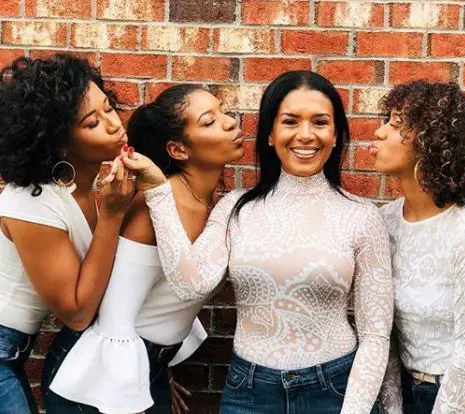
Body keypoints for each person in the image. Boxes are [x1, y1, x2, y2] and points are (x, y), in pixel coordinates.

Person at [123, 71, 394, 414]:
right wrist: (159, 192)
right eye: (290, 121)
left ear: (337, 135)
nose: (306, 135)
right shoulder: (235, 208)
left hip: (335, 389)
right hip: (250, 393)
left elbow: (375, 335)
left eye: (320, 122)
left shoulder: (363, 217)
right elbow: (190, 285)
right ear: (270, 134)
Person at [45, 84, 245, 414]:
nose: (230, 123)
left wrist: (155, 370)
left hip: (143, 368)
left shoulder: (210, 204)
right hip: (99, 378)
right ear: (179, 150)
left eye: (223, 111)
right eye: (209, 121)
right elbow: (116, 313)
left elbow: (157, 303)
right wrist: (129, 393)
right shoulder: (155, 208)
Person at [0, 54, 135, 414]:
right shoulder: (33, 200)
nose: (113, 124)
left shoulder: (94, 189)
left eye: (109, 108)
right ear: (59, 140)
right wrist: (112, 216)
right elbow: (75, 313)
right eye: (93, 121)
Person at [373, 80, 465, 413]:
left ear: (430, 143)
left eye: (395, 124)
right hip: (408, 389)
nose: (379, 132)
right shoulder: (384, 223)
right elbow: (382, 332)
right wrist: (394, 406)